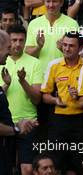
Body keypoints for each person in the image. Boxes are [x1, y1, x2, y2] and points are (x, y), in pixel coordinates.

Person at [41, 31, 83, 175]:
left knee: (79, 164)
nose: (66, 49)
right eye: (65, 45)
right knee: (56, 163)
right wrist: (56, 100)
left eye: (71, 46)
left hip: (82, 120)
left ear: (80, 48)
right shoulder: (53, 65)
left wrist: (80, 96)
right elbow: (45, 96)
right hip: (58, 120)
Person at [0, 25, 42, 175]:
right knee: (6, 167)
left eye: (21, 40)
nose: (18, 44)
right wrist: (7, 84)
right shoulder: (2, 61)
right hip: (5, 126)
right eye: (14, 40)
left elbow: (37, 99)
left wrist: (23, 81)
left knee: (28, 169)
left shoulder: (35, 63)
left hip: (28, 122)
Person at [25, 0, 79, 74]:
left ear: (61, 3)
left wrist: (63, 49)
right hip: (40, 75)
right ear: (44, 2)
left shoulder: (72, 24)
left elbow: (77, 54)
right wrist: (39, 47)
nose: (51, 5)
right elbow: (28, 54)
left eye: (54, 1)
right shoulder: (33, 24)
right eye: (48, 1)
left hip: (64, 75)